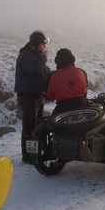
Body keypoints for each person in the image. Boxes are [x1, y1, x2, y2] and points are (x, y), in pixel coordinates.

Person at [14, 30, 51, 164]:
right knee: (30, 127)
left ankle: (37, 152)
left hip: (36, 96)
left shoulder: (35, 55)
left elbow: (44, 72)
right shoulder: (27, 55)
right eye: (43, 44)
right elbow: (34, 69)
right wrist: (44, 57)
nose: (45, 47)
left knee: (38, 125)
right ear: (36, 44)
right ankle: (28, 156)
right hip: (28, 97)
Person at [47, 48, 88, 115]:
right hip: (82, 105)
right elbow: (85, 88)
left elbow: (50, 97)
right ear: (72, 59)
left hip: (62, 108)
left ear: (57, 61)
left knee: (48, 123)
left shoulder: (53, 76)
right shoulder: (81, 72)